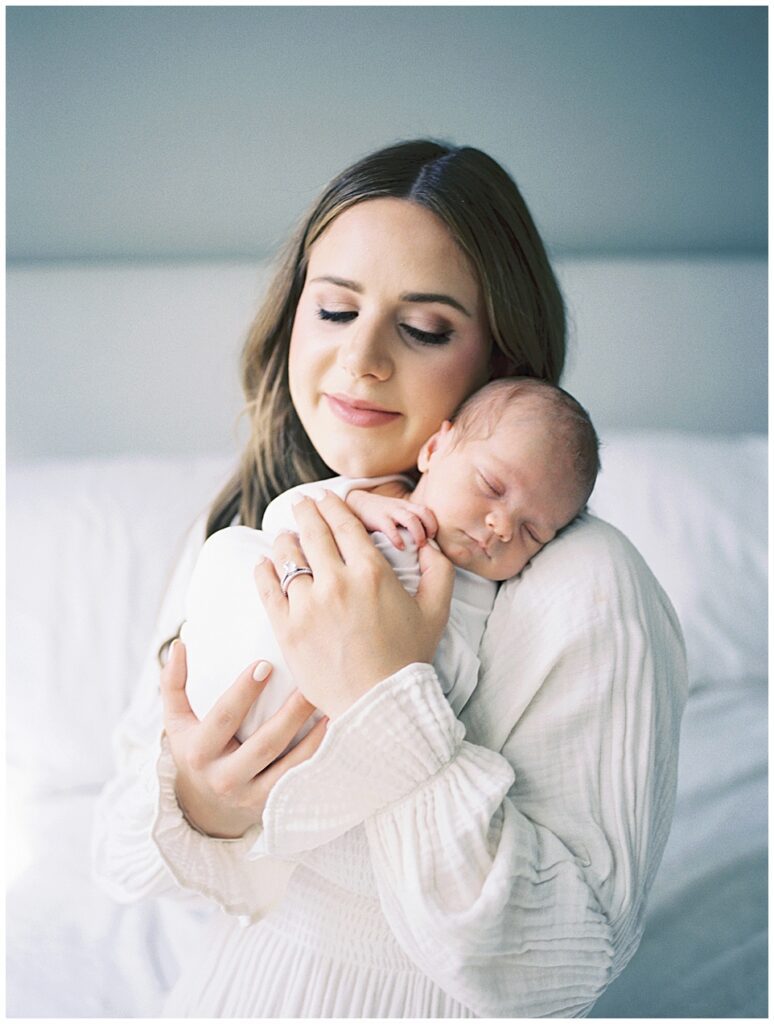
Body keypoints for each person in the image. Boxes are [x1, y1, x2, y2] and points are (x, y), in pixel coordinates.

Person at [91, 139, 688, 1018]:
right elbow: (117, 859)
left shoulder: (587, 587)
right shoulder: (253, 523)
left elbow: (559, 969)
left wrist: (388, 694)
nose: (363, 360)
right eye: (334, 310)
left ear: (500, 359)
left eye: (423, 329)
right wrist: (203, 800)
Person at [182, 376, 600, 758]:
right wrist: (356, 503)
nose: (502, 526)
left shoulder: (481, 596)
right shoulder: (373, 497)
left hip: (319, 727)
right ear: (434, 450)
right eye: (491, 487)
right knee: (227, 545)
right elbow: (279, 520)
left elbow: (456, 685)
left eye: (533, 533)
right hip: (231, 674)